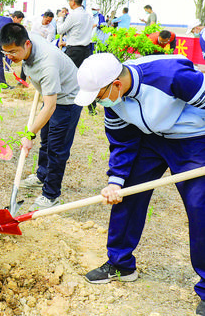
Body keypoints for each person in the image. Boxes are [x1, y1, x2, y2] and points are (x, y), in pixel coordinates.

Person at [74, 53, 205, 316]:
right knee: (126, 195)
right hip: (149, 139)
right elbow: (122, 141)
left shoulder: (171, 77)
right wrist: (115, 180)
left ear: (116, 85)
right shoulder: (113, 100)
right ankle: (121, 263)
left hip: (194, 139)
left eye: (100, 96)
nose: (100, 103)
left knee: (200, 206)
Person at [0, 23, 82, 210]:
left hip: (67, 100)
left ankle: (51, 195)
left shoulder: (47, 64)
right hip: (51, 94)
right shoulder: (29, 39)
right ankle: (41, 175)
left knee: (57, 149)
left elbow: (51, 106)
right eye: (6, 53)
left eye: (13, 52)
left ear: (27, 44)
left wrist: (29, 135)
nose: (9, 57)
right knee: (46, 140)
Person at [56, 0, 96, 114]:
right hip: (86, 49)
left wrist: (60, 18)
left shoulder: (73, 15)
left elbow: (60, 30)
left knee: (65, 75)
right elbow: (79, 34)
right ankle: (92, 107)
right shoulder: (88, 15)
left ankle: (62, 102)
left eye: (69, 1)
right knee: (85, 79)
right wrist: (66, 42)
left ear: (73, 2)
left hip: (74, 51)